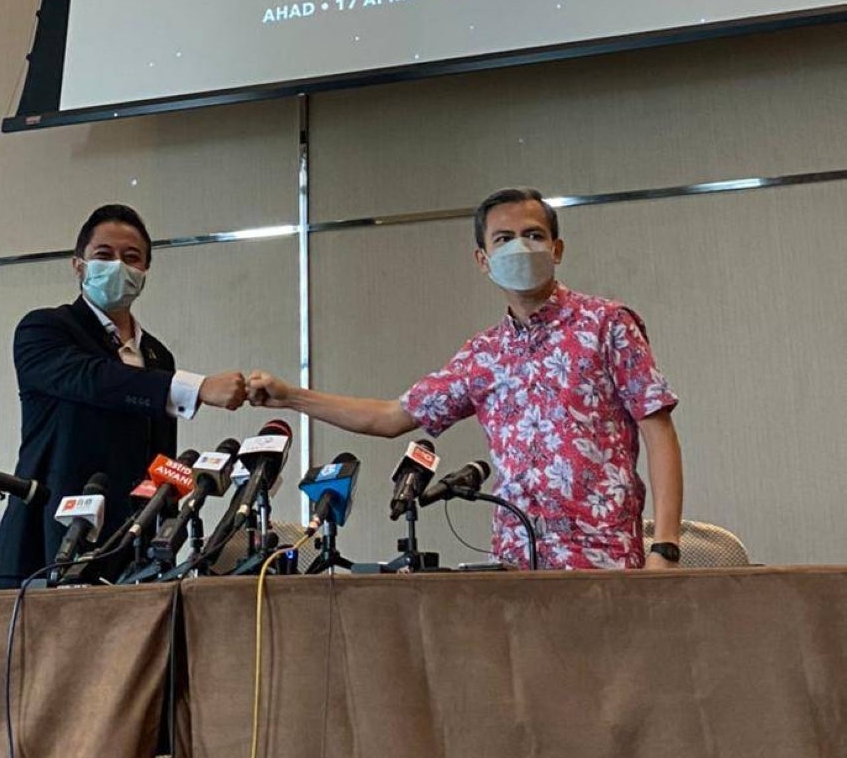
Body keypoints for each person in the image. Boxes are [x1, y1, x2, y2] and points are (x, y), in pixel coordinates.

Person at [248, 186, 682, 570]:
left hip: (604, 557)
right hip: (517, 562)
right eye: (504, 239)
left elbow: (658, 431)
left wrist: (664, 548)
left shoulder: (606, 324)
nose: (521, 247)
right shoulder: (483, 355)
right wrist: (290, 396)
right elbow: (389, 417)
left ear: (557, 248)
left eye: (533, 235)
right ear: (483, 260)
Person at [0, 203, 246, 587]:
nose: (118, 266)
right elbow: (95, 380)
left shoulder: (158, 356)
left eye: (131, 257)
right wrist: (200, 387)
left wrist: (166, 534)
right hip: (45, 545)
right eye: (104, 255)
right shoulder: (45, 329)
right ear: (79, 265)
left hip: (132, 550)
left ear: (144, 272)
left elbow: (162, 459)